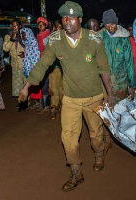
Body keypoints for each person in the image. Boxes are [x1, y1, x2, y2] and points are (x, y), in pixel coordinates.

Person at [18, 1, 113, 192]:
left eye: (72, 17)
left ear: (80, 19)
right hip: (70, 98)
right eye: (64, 17)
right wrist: (26, 86)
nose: (67, 21)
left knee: (95, 134)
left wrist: (110, 96)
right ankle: (76, 172)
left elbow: (104, 69)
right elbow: (42, 65)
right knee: (68, 137)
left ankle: (99, 153)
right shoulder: (55, 41)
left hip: (94, 97)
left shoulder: (94, 40)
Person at [99, 8, 136, 153]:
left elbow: (129, 62)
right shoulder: (99, 37)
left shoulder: (124, 37)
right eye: (107, 24)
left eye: (113, 24)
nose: (110, 27)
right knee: (105, 112)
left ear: (117, 23)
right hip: (103, 82)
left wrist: (132, 84)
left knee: (120, 111)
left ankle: (120, 137)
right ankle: (107, 139)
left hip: (121, 81)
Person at [3, 19, 25, 98]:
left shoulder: (24, 35)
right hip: (15, 64)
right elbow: (5, 48)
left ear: (19, 26)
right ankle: (21, 100)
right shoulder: (8, 36)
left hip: (24, 63)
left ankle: (26, 101)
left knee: (25, 83)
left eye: (16, 26)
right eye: (13, 26)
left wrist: (25, 53)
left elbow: (31, 46)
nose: (14, 27)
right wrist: (12, 39)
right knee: (17, 84)